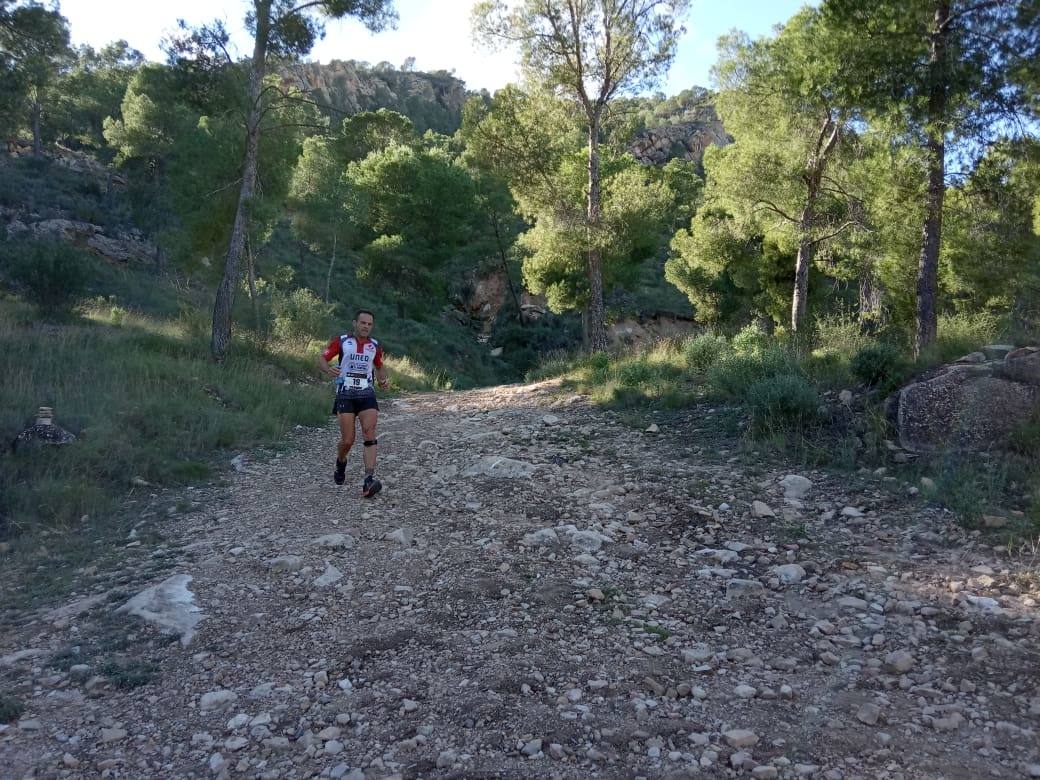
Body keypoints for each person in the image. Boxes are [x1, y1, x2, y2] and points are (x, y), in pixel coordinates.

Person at [317, 309, 389, 497]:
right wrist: (327, 370)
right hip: (345, 394)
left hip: (367, 394)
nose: (366, 327)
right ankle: (341, 461)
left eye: (369, 324)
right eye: (363, 323)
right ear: (355, 323)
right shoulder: (341, 341)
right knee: (348, 440)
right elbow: (322, 358)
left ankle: (369, 480)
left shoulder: (375, 345)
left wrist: (383, 380)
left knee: (369, 433)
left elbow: (380, 366)